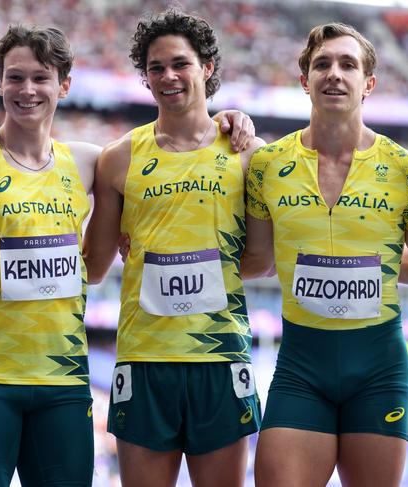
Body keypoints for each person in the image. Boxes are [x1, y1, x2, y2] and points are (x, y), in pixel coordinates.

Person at [241, 22, 408, 487]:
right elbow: (256, 261)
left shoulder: (407, 170)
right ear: (305, 81)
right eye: (322, 64)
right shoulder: (267, 165)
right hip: (301, 368)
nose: (334, 74)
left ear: (369, 83)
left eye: (348, 64)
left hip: (378, 369)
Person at [82, 9, 263, 487]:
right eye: (156, 67)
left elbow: (262, 260)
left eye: (179, 64)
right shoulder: (118, 157)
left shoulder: (246, 151)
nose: (168, 76)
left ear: (206, 67)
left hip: (219, 356)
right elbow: (94, 266)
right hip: (145, 360)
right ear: (144, 77)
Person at [0, 25, 100, 486]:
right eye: (14, 77)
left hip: (65, 381)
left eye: (40, 77)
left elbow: (171, 149)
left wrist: (228, 117)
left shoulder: (89, 162)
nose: (26, 90)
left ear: (64, 85)